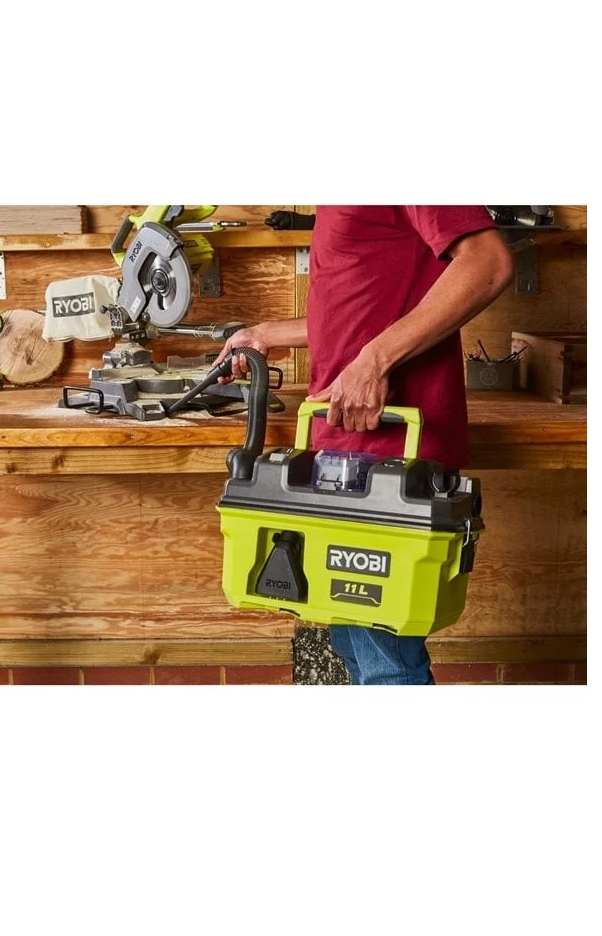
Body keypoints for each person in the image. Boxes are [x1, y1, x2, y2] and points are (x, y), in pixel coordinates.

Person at [211, 206, 515, 685]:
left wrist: (374, 362)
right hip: (347, 450)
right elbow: (361, 306)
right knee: (356, 649)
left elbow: (488, 263)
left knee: (385, 666)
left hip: (392, 456)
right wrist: (267, 333)